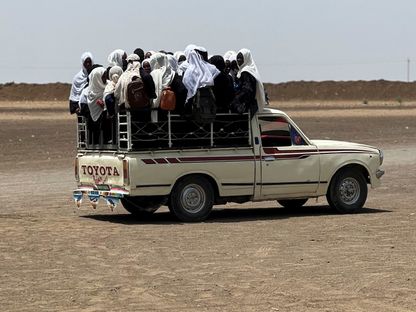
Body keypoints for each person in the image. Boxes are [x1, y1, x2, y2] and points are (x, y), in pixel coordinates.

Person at [230, 48, 266, 117]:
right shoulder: (248, 70)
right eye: (238, 58)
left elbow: (247, 89)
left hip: (248, 104)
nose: (238, 60)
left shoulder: (246, 71)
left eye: (241, 58)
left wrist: (237, 99)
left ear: (246, 58)